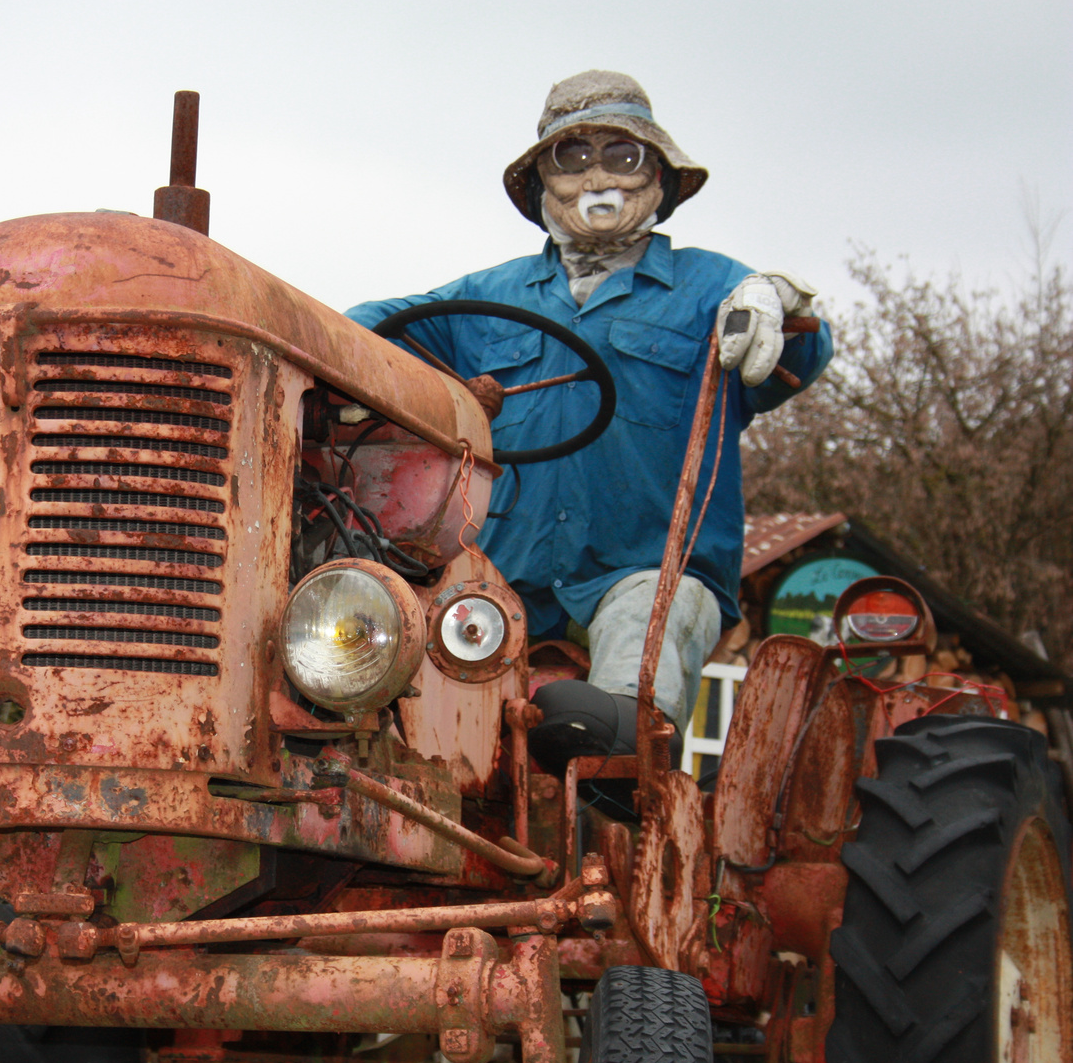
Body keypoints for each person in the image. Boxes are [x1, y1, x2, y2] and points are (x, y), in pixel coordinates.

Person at [346, 70, 832, 769]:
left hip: (645, 568)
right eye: (571, 158)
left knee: (650, 632)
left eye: (622, 155)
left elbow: (803, 350)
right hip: (500, 574)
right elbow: (370, 331)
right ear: (543, 182)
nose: (597, 177)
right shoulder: (491, 296)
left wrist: (780, 300)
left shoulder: (712, 288)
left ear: (658, 176)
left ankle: (623, 768)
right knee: (390, 652)